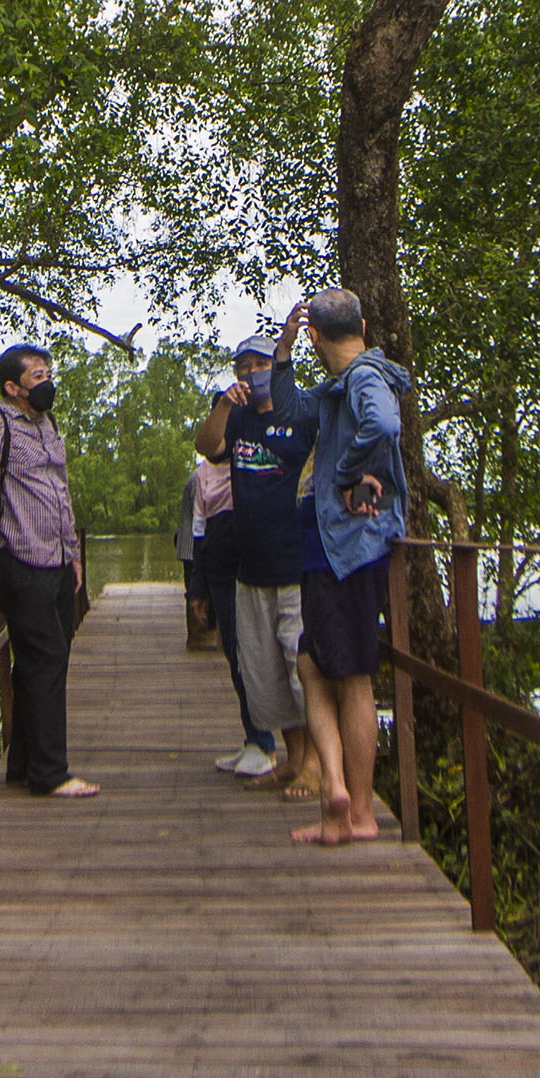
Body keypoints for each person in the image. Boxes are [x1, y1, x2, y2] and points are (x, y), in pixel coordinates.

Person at [290, 286, 411, 847]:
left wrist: (345, 474)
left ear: (316, 335)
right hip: (335, 547)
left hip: (347, 549)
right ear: (361, 322)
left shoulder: (364, 377)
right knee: (316, 665)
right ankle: (341, 793)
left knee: (350, 676)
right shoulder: (347, 382)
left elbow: (384, 426)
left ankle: (352, 808)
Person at [0, 343, 98, 800]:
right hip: (15, 556)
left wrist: (73, 554)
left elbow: (60, 491)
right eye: (37, 376)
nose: (47, 382)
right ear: (12, 387)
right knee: (47, 657)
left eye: (48, 373)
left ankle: (22, 764)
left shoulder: (47, 425)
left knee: (37, 661)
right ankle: (51, 774)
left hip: (55, 559)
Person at [191, 317, 315, 781]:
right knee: (266, 673)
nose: (250, 372)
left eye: (260, 363)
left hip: (295, 564)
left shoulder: (300, 412)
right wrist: (224, 405)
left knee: (302, 668)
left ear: (277, 367)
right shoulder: (239, 416)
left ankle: (318, 765)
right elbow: (207, 446)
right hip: (250, 567)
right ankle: (293, 758)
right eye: (243, 365)